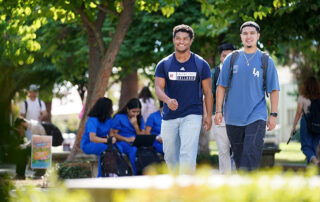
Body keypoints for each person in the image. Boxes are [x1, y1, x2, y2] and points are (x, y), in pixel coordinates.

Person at [214, 21, 280, 171]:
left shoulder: (265, 60)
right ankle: (244, 188)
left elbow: (274, 90)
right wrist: (218, 111)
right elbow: (221, 86)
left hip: (256, 116)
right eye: (245, 33)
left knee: (251, 153)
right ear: (241, 37)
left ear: (258, 36)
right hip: (233, 117)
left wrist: (273, 114)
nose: (248, 36)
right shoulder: (231, 59)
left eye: (252, 33)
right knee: (239, 157)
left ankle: (251, 190)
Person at [154, 24, 213, 173]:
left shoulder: (201, 64)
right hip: (169, 116)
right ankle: (175, 186)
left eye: (185, 39)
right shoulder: (164, 64)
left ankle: (187, 189)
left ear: (191, 41)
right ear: (173, 40)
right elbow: (158, 88)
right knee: (170, 155)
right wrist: (167, 100)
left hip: (192, 114)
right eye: (178, 38)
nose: (182, 41)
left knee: (187, 153)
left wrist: (208, 115)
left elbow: (208, 92)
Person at [211, 43, 236, 174]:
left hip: (238, 116)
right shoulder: (214, 73)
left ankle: (238, 178)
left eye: (230, 56)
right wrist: (208, 116)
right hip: (218, 116)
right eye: (224, 56)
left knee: (237, 149)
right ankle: (224, 178)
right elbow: (208, 96)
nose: (227, 59)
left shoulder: (240, 72)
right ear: (220, 58)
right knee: (223, 150)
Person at [80, 97, 116, 177]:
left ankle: (114, 174)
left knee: (117, 148)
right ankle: (101, 176)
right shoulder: (92, 120)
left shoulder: (109, 119)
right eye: (110, 107)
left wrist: (113, 138)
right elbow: (92, 138)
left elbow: (111, 133)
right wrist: (108, 140)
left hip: (103, 142)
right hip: (89, 144)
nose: (112, 109)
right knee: (104, 148)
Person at [110, 98, 145, 175]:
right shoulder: (119, 117)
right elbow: (113, 134)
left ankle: (138, 174)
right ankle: (122, 174)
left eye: (138, 112)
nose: (135, 114)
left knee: (135, 150)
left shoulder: (140, 118)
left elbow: (141, 136)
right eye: (133, 111)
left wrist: (135, 125)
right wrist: (127, 139)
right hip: (122, 141)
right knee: (128, 151)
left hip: (135, 143)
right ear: (127, 109)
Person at [290, 77, 320, 165]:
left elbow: (298, 112)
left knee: (305, 146)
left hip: (306, 123)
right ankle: (314, 164)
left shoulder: (302, 98)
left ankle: (315, 161)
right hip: (318, 124)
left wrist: (293, 127)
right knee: (315, 145)